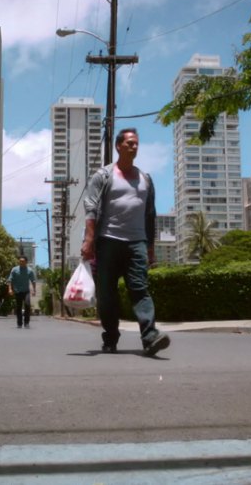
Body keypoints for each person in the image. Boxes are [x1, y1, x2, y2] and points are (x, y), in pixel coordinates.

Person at [81, 128, 171, 356]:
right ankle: (110, 338)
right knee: (107, 294)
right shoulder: (104, 175)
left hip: (136, 243)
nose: (134, 147)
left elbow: (150, 214)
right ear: (118, 146)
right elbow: (90, 208)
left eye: (136, 143)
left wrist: (150, 248)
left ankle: (150, 337)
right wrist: (89, 240)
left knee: (140, 289)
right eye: (130, 143)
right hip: (108, 241)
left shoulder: (146, 179)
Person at [7, 256, 36, 328]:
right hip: (18, 291)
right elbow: (10, 280)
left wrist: (34, 290)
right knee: (18, 307)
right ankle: (19, 323)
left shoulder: (29, 270)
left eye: (23, 261)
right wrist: (10, 289)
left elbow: (33, 281)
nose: (21, 262)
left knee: (27, 305)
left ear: (26, 262)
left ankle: (26, 322)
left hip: (26, 291)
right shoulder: (14, 270)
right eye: (20, 261)